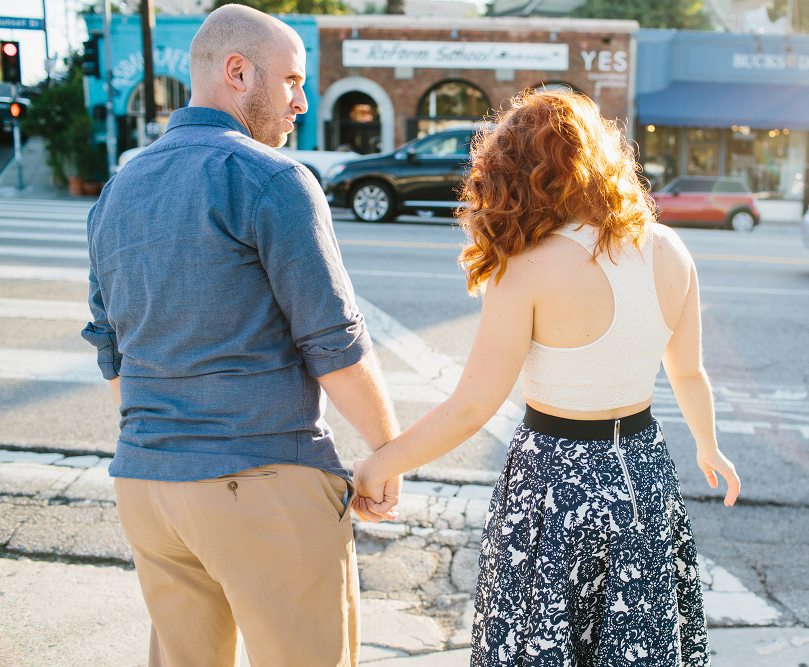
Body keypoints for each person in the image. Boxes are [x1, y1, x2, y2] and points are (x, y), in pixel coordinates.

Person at [353, 90, 740, 665]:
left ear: (514, 172)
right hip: (644, 477)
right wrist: (709, 447)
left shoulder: (527, 267)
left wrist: (381, 463)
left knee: (538, 642)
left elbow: (471, 407)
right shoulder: (670, 249)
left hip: (552, 483)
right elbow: (689, 372)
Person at [81, 6, 399, 666]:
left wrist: (170, 438)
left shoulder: (116, 190)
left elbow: (112, 352)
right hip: (261, 481)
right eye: (291, 81)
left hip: (148, 487)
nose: (302, 103)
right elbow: (334, 345)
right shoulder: (274, 180)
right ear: (237, 72)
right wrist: (388, 454)